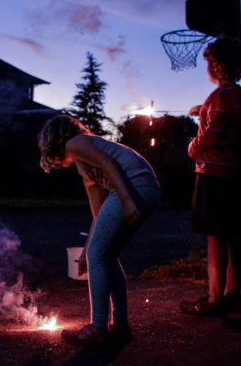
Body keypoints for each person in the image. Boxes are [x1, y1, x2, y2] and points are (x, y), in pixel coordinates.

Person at [37, 114, 160, 345]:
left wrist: (126, 200)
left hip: (135, 188)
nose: (54, 162)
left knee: (100, 256)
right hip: (147, 189)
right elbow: (99, 215)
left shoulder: (76, 143)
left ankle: (98, 328)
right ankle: (119, 325)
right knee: (105, 255)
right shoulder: (84, 168)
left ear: (54, 141)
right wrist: (86, 251)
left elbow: (109, 164)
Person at [179, 37, 241, 317]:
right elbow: (227, 121)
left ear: (217, 65)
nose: (207, 67)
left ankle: (214, 297)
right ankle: (233, 294)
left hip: (215, 175)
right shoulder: (239, 95)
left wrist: (193, 147)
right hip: (238, 175)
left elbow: (214, 132)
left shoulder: (220, 97)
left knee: (215, 236)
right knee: (235, 235)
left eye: (209, 62)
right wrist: (203, 110)